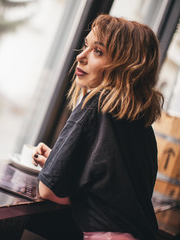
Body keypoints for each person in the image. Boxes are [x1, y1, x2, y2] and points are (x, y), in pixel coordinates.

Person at [32, 14, 163, 240]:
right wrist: (59, 162)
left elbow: (48, 190)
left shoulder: (95, 103)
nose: (81, 57)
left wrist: (53, 173)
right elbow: (108, 191)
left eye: (98, 51)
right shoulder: (142, 126)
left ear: (125, 67)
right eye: (86, 45)